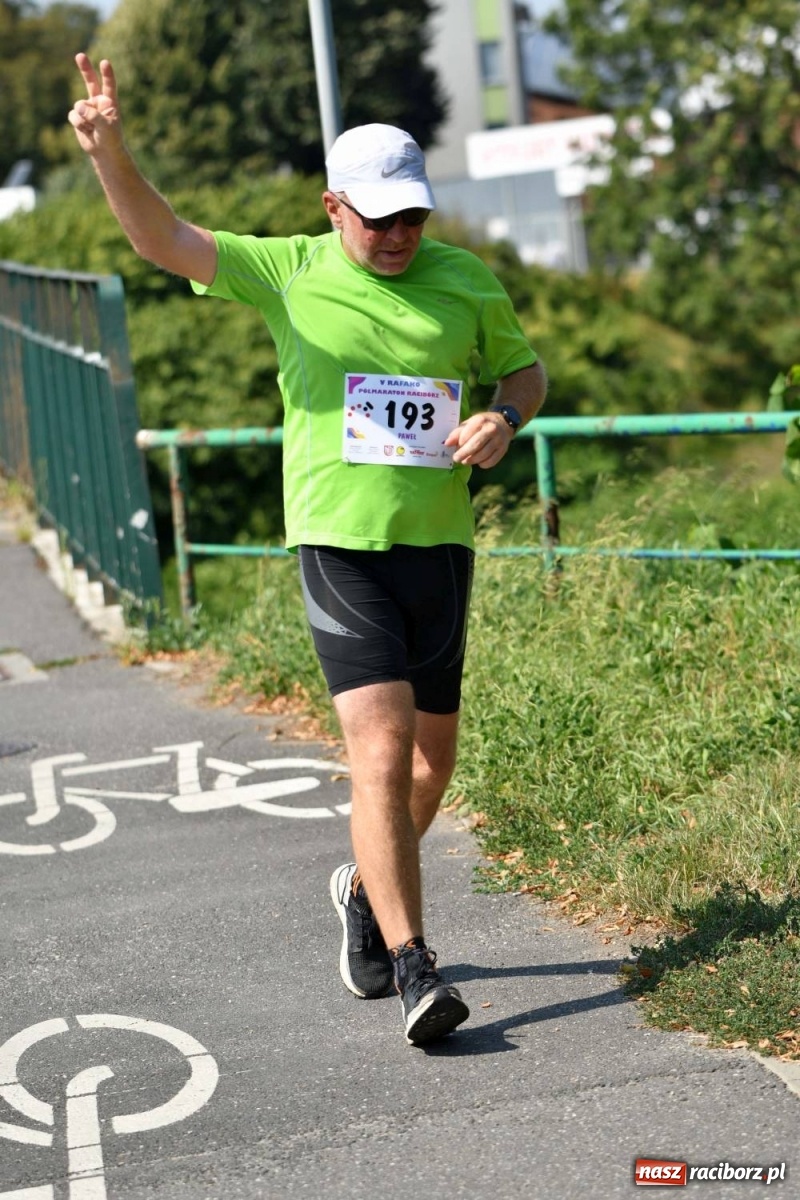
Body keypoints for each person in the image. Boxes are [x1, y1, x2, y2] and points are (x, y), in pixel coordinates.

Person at [68, 53, 547, 1047]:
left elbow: (523, 369)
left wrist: (504, 418)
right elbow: (164, 240)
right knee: (375, 750)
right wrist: (112, 154)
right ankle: (417, 969)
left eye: (411, 217)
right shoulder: (286, 271)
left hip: (437, 545)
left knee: (429, 765)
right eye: (377, 220)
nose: (397, 237)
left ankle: (362, 889)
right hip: (338, 542)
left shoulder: (465, 281)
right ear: (333, 208)